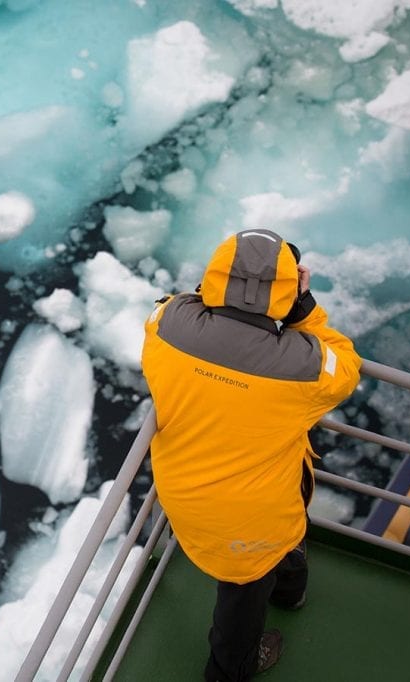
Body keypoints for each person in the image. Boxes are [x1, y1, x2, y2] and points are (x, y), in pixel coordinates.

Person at [140, 228, 361, 681]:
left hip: (180, 493)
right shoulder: (303, 365)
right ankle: (231, 668)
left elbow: (172, 304)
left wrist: (219, 295)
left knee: (268, 543)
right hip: (251, 515)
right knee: (245, 586)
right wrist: (302, 309)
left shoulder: (166, 326)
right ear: (288, 288)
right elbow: (345, 365)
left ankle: (286, 592)